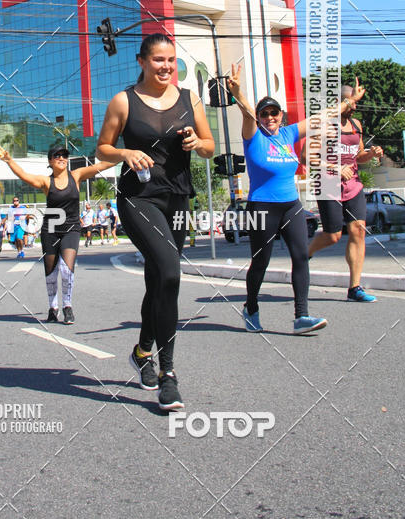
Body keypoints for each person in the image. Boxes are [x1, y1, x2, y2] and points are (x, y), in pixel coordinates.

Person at [97, 32, 215, 412]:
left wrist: (199, 143)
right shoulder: (123, 101)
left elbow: (211, 148)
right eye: (159, 60)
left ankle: (142, 350)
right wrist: (126, 152)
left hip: (178, 198)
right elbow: (102, 147)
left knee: (159, 280)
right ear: (142, 62)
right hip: (138, 198)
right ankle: (169, 375)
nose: (166, 67)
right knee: (169, 271)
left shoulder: (189, 98)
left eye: (171, 60)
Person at [227, 64, 365, 334]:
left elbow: (322, 116)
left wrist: (349, 101)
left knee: (301, 257)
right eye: (264, 113)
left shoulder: (289, 134)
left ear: (281, 115)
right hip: (262, 208)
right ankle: (251, 307)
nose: (269, 117)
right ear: (258, 117)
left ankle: (302, 316)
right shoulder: (253, 136)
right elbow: (246, 112)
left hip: (291, 206)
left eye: (274, 113)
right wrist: (238, 92)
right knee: (261, 262)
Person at [0, 143, 113, 324]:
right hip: (50, 229)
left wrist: (127, 155)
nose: (61, 158)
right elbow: (24, 176)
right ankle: (53, 307)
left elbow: (101, 165)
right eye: (57, 156)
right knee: (51, 272)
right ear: (50, 161)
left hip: (71, 228)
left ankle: (67, 306)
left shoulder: (77, 175)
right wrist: (9, 160)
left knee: (66, 269)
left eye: (64, 155)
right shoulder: (46, 182)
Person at [308, 81, 383, 302]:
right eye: (352, 103)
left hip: (353, 185)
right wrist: (334, 167)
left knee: (358, 229)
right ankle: (305, 254)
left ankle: (355, 288)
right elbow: (306, 157)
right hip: (328, 185)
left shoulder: (356, 125)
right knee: (333, 236)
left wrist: (370, 154)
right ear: (339, 102)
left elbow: (357, 155)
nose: (355, 107)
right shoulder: (323, 124)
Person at [8, 196, 28, 260]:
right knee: (16, 240)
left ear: (18, 201)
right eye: (14, 201)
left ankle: (22, 250)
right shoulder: (11, 208)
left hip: (21, 225)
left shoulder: (23, 208)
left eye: (16, 200)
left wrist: (26, 223)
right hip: (14, 226)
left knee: (19, 238)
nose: (15, 201)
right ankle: (19, 252)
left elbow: (27, 216)